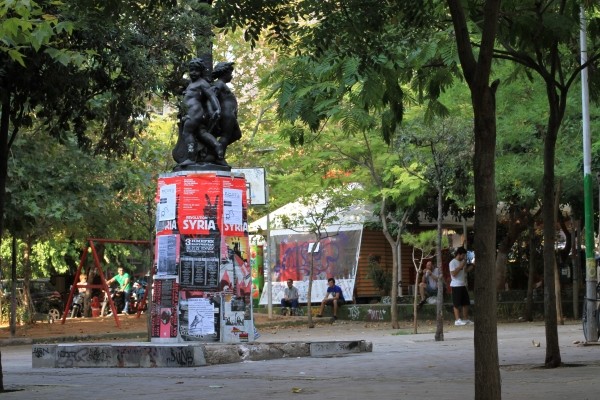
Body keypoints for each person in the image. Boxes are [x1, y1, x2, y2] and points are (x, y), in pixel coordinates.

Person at [173, 57, 223, 165]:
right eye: (191, 70)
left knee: (187, 132)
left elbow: (212, 96)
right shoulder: (190, 83)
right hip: (190, 112)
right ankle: (217, 146)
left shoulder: (202, 83)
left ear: (201, 71)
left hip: (195, 111)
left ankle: (191, 157)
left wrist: (217, 109)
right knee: (201, 132)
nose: (193, 73)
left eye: (196, 70)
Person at [212, 61, 242, 162]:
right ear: (224, 73)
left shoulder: (222, 84)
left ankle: (216, 149)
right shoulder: (219, 84)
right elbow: (213, 95)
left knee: (237, 134)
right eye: (230, 73)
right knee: (225, 136)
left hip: (231, 114)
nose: (231, 75)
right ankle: (219, 157)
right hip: (226, 114)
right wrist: (216, 110)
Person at [449, 247, 474, 326]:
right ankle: (457, 320)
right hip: (456, 285)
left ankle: (466, 319)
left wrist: (473, 265)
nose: (464, 257)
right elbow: (453, 274)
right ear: (458, 254)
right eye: (463, 255)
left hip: (463, 285)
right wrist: (460, 266)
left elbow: (465, 270)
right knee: (456, 303)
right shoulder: (452, 262)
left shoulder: (462, 262)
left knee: (466, 302)